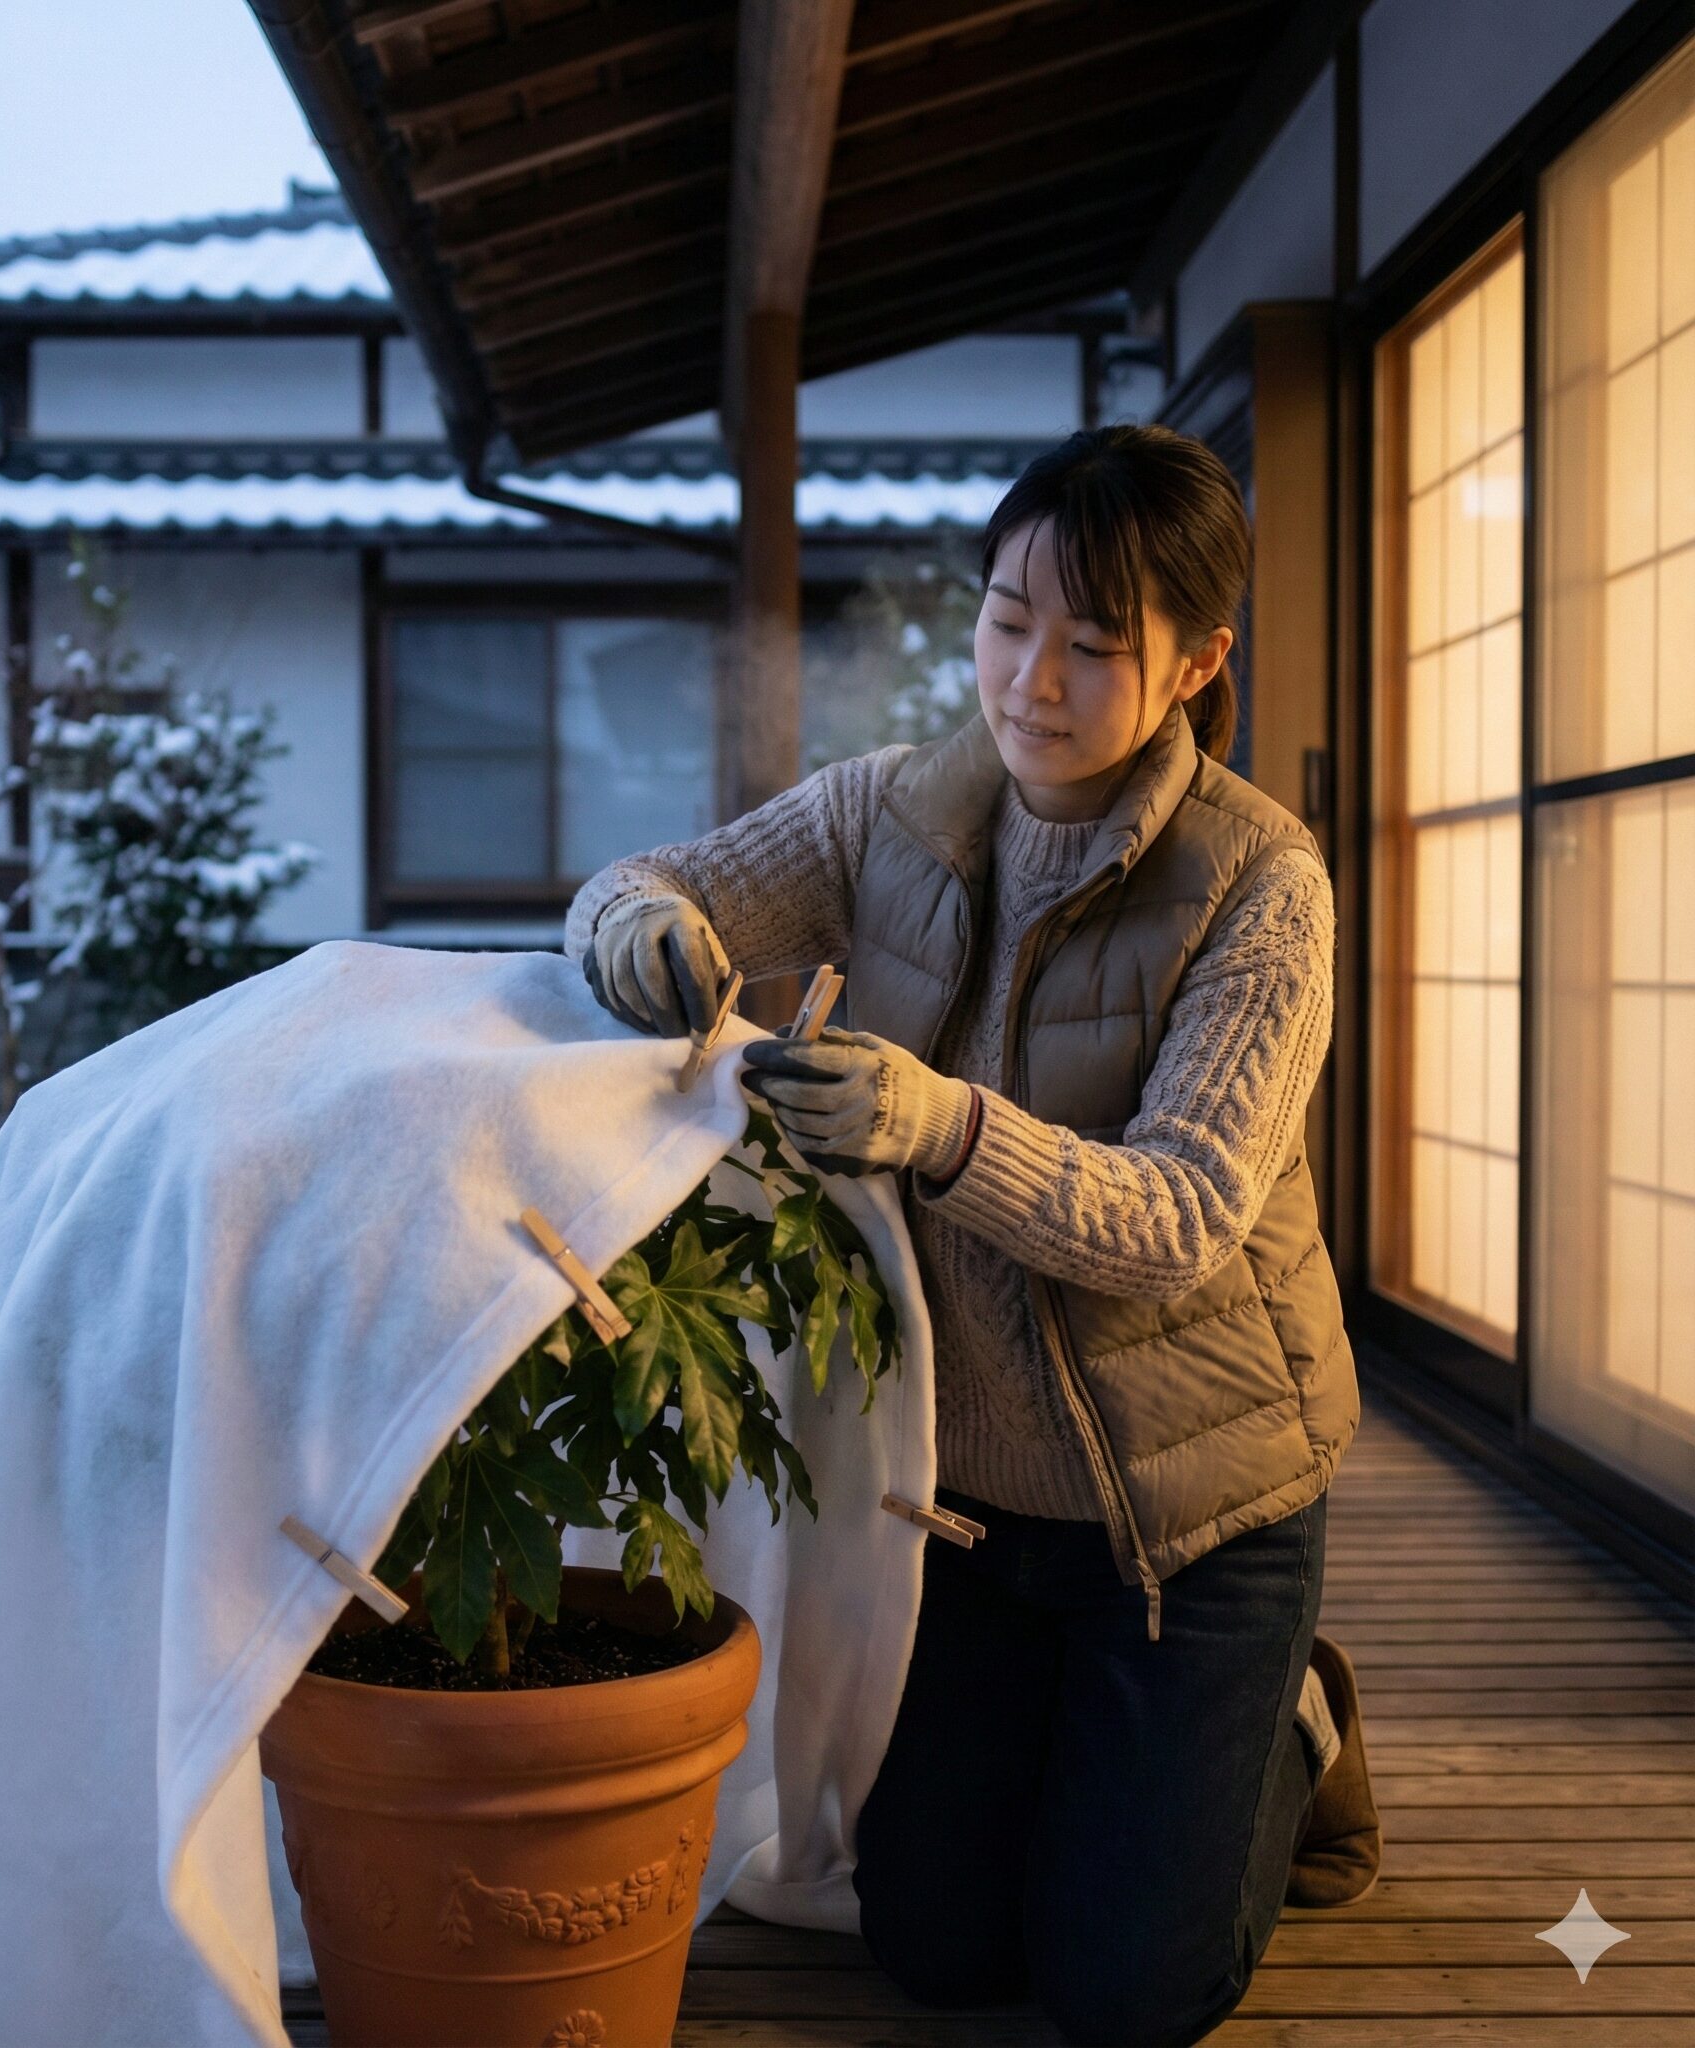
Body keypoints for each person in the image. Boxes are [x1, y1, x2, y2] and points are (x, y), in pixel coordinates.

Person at [564, 423, 1382, 2047]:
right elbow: (651, 880)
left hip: (1189, 1510)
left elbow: (1184, 1217)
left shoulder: (1262, 887)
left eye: (1096, 644)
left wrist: (938, 1124)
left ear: (1200, 663)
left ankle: (1295, 1721)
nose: (1033, 680)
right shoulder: (894, 811)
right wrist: (638, 934)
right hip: (972, 1514)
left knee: (1126, 1993)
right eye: (1010, 619)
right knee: (933, 1945)